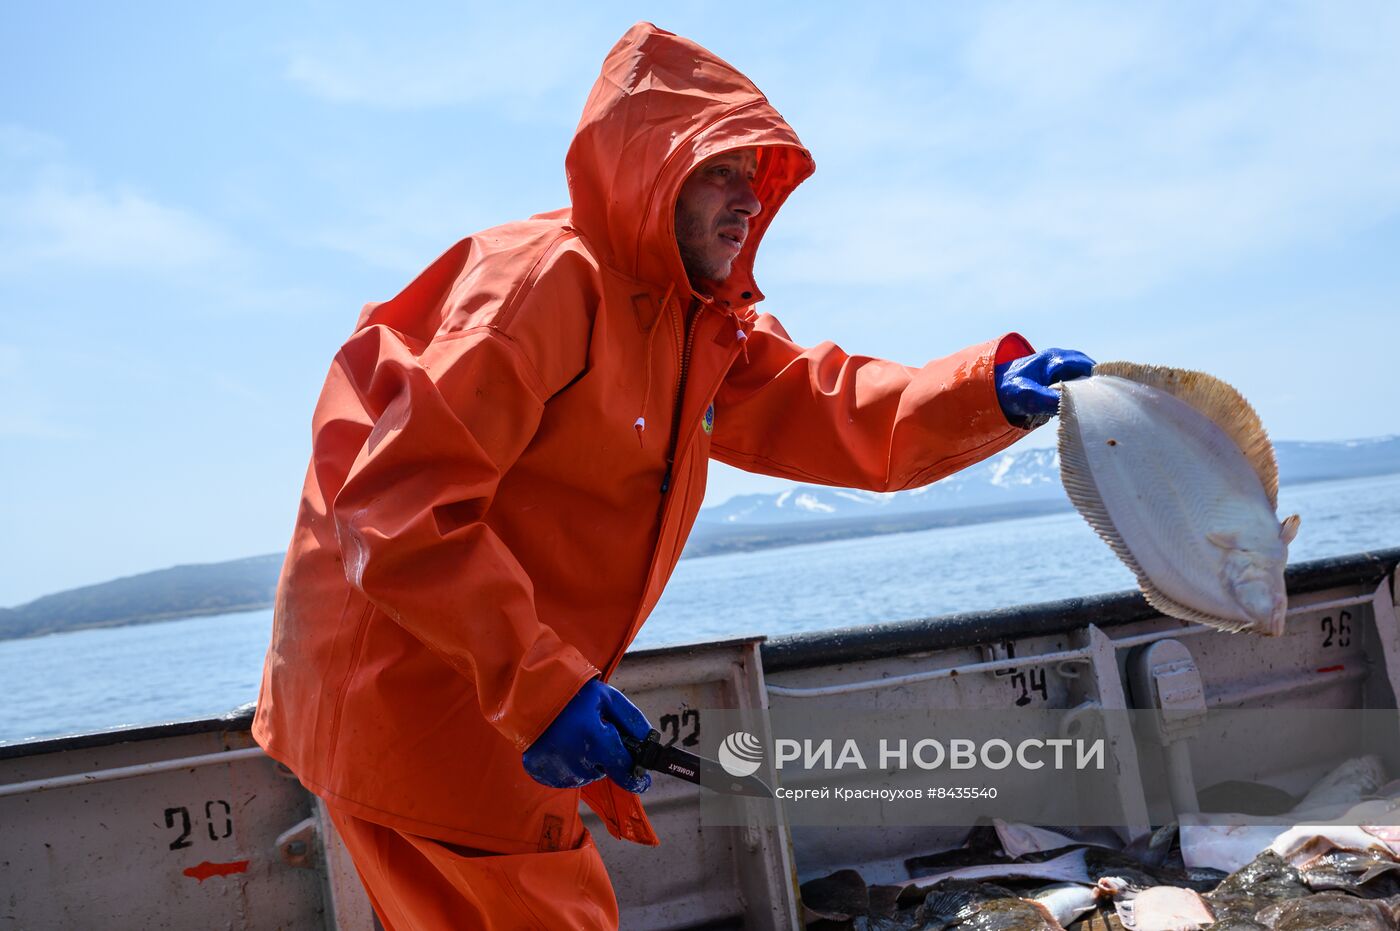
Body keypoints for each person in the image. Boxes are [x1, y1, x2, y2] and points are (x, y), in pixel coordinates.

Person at [252, 21, 1093, 930]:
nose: (746, 204)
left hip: (475, 696)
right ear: (651, 175)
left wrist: (984, 396)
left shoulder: (696, 324)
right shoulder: (539, 285)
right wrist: (542, 687)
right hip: (412, 698)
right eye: (720, 172)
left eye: (757, 180)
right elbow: (395, 507)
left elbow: (826, 405)